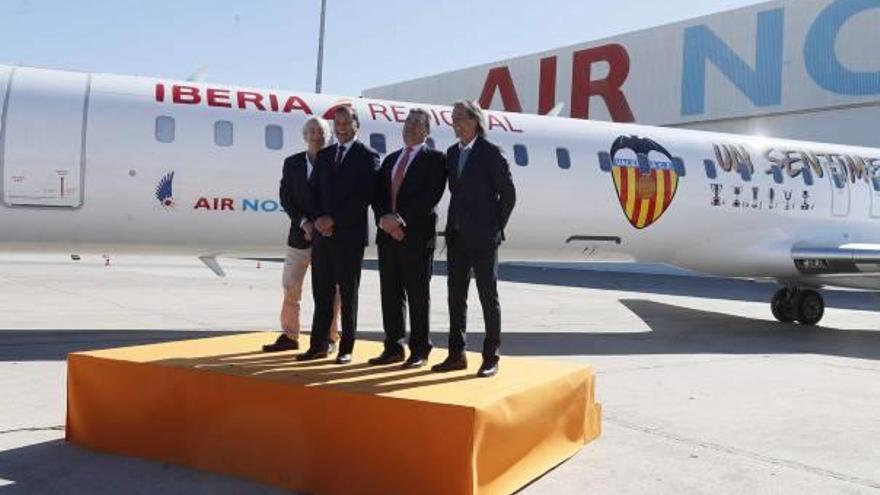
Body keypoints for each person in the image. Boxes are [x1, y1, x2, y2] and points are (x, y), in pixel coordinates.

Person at [431, 100, 516, 378]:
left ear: (475, 120)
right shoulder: (452, 154)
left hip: (483, 239)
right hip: (457, 237)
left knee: (487, 297)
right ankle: (457, 354)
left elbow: (509, 194)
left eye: (459, 117)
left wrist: (495, 228)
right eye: (452, 117)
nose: (454, 122)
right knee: (456, 298)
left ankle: (491, 356)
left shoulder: (491, 153)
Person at [297, 106, 379, 364]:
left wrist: (334, 219)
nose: (341, 126)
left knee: (348, 295)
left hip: (349, 237)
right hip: (323, 236)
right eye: (338, 123)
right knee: (321, 293)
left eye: (346, 122)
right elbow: (312, 193)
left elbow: (364, 196)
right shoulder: (325, 155)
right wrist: (318, 220)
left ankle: (346, 348)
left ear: (356, 126)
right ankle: (318, 345)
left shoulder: (368, 156)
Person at [368, 109, 447, 369]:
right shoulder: (390, 160)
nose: (410, 126)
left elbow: (430, 196)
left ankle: (420, 349)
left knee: (417, 294)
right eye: (408, 122)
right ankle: (393, 347)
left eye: (417, 123)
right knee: (390, 294)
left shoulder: (435, 159)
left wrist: (399, 220)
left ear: (427, 130)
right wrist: (384, 220)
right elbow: (377, 196)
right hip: (388, 237)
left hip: (415, 236)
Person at [263, 117, 341, 353]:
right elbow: (286, 198)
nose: (317, 137)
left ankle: (329, 337)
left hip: (328, 237)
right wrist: (304, 223)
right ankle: (289, 335)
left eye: (321, 133)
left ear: (328, 137)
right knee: (290, 286)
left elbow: (341, 198)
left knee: (330, 291)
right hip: (299, 236)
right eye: (313, 132)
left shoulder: (336, 163)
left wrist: (323, 224)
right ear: (305, 136)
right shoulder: (293, 163)